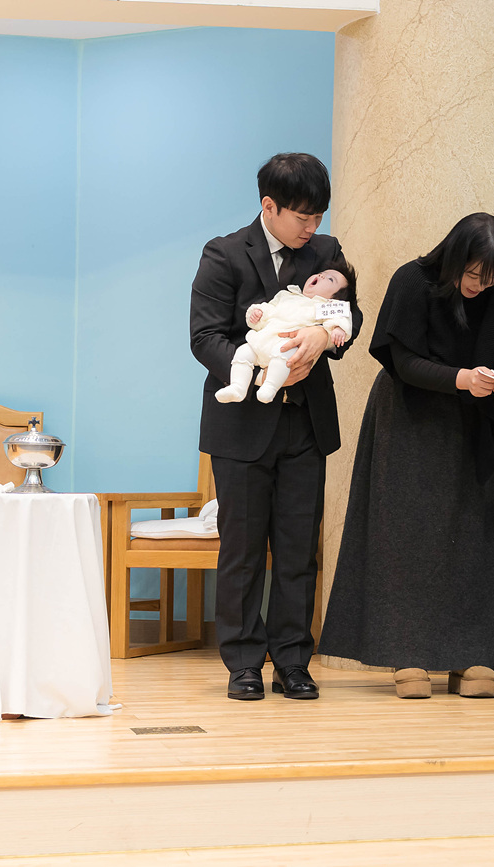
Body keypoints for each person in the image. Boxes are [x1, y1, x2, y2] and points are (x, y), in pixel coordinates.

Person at [318, 213, 494, 700]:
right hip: (409, 414)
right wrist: (462, 378)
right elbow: (402, 361)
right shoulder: (412, 281)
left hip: (474, 419)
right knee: (405, 534)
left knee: (473, 534)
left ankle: (472, 653)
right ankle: (406, 653)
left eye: (491, 277)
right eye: (473, 274)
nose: (480, 286)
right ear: (454, 257)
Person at [189, 153, 363, 702]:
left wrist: (324, 337)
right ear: (269, 206)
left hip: (305, 425)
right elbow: (204, 338)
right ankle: (243, 663)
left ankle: (293, 662)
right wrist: (264, 366)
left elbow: (351, 316)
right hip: (242, 425)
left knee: (297, 549)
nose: (313, 227)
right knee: (242, 551)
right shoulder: (223, 254)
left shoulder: (326, 252)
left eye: (319, 216)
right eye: (303, 217)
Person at [215, 261, 357, 405]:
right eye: (322, 273)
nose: (322, 276)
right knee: (243, 352)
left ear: (334, 299)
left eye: (330, 279)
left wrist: (338, 329)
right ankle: (238, 387)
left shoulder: (323, 306)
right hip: (264, 340)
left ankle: (270, 386)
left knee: (283, 353)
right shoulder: (287, 295)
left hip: (289, 345)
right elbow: (271, 309)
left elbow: (342, 316)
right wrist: (259, 314)